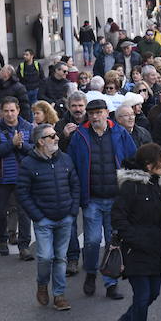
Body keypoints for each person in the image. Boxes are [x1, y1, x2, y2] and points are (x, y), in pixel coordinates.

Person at [67, 99, 137, 300]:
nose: (95, 116)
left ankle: (111, 282)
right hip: (92, 199)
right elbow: (71, 166)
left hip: (116, 199)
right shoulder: (79, 136)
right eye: (92, 113)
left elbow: (132, 160)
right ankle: (90, 273)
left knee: (113, 242)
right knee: (92, 240)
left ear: (108, 112)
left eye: (99, 112)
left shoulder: (120, 133)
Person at [112, 143, 161, 321]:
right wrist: (135, 239)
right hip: (135, 250)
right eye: (160, 159)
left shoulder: (158, 184)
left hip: (155, 248)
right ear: (148, 164)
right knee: (143, 295)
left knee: (153, 292)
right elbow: (118, 217)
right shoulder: (130, 186)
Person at [16, 124, 79, 311]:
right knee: (45, 257)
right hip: (44, 220)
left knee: (60, 258)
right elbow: (22, 193)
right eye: (52, 136)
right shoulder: (28, 163)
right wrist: (38, 216)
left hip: (65, 218)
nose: (57, 138)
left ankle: (59, 295)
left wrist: (72, 211)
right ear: (40, 141)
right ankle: (42, 284)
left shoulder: (65, 159)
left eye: (56, 135)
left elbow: (75, 186)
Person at [0, 96, 34, 259]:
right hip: (2, 178)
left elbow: (34, 150)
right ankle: (2, 240)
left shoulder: (28, 127)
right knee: (0, 212)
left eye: (12, 110)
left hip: (24, 178)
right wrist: (11, 144)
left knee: (24, 213)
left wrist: (21, 145)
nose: (9, 114)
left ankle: (24, 246)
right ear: (1, 112)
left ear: (18, 110)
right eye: (6, 111)